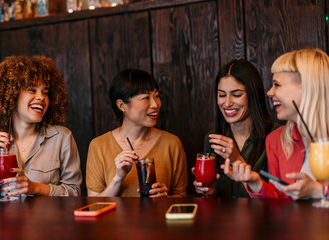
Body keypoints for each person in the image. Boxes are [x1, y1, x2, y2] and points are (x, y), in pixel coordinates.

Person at [223, 49, 326, 200]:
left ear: (307, 87)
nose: (270, 92)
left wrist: (319, 191)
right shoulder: (276, 140)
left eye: (277, 85)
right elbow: (278, 202)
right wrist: (256, 183)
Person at [0, 55, 82, 197]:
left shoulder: (62, 137)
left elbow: (75, 192)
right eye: (32, 90)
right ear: (11, 94)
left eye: (46, 92)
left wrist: (35, 188)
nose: (41, 97)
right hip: (4, 219)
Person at [86, 69, 187, 197]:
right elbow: (94, 206)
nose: (155, 104)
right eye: (145, 98)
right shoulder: (98, 146)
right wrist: (118, 179)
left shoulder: (172, 144)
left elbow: (182, 198)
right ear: (122, 105)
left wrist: (165, 199)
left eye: (156, 96)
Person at [193, 59, 277, 198]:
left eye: (236, 95)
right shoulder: (212, 139)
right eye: (221, 95)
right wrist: (209, 191)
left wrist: (236, 158)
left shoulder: (276, 135)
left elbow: (277, 198)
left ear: (253, 95)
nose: (227, 103)